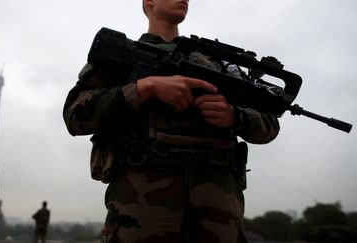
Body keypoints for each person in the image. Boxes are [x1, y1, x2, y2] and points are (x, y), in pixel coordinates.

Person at [63, 0, 279, 242]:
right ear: (149, 2)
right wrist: (146, 88)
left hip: (218, 201)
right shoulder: (122, 54)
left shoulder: (217, 63)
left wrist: (235, 115)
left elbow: (269, 126)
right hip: (141, 197)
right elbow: (74, 115)